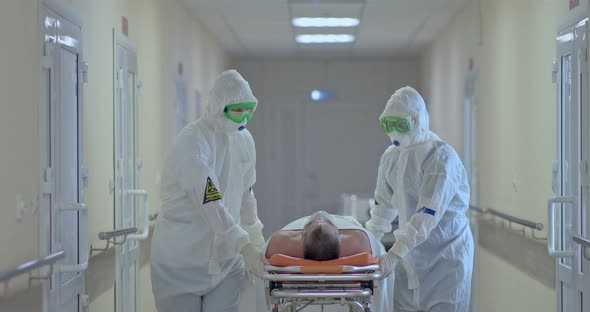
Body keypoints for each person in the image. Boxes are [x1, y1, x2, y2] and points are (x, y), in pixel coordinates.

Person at [150, 70, 265, 312]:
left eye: (248, 110)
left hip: (226, 262)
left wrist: (256, 239)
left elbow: (247, 195)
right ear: (218, 106)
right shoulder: (192, 142)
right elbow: (210, 201)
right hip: (180, 264)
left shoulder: (245, 142)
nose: (243, 117)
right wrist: (244, 245)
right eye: (237, 110)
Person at [365, 86, 474, 312]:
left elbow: (426, 214)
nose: (394, 133)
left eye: (401, 125)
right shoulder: (391, 156)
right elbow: (383, 204)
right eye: (388, 125)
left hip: (446, 258)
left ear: (418, 121)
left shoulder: (441, 158)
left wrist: (394, 255)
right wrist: (369, 240)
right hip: (411, 257)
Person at [260, 211, 394, 312]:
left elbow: (262, 264)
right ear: (340, 238)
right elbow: (378, 256)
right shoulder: (359, 241)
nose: (320, 215)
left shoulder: (280, 243)